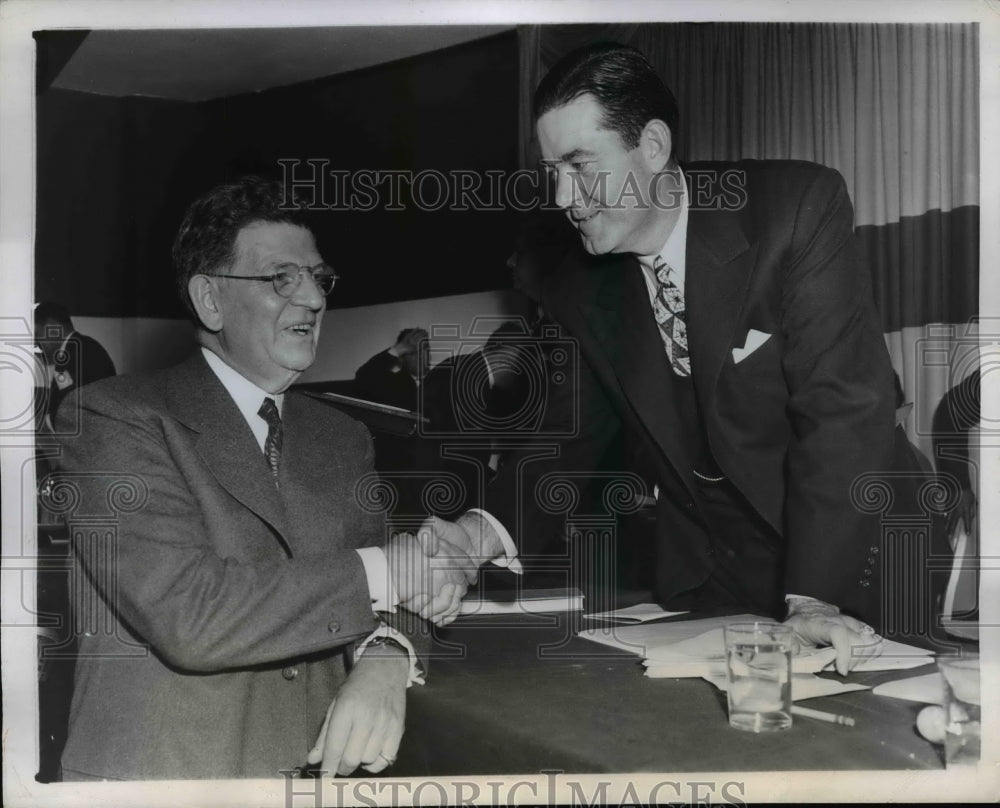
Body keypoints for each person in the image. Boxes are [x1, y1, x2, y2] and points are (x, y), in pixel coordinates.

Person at [434, 42, 925, 673]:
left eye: (581, 165)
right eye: (551, 169)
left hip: (864, 555)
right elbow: (562, 440)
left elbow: (844, 414)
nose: (561, 195)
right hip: (717, 571)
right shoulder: (577, 283)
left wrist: (812, 599)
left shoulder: (794, 209)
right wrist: (472, 538)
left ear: (655, 147)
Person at [52, 177, 486, 780]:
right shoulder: (109, 417)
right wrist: (392, 569)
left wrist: (387, 656)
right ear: (209, 300)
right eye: (282, 278)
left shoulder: (342, 437)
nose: (312, 298)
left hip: (316, 776)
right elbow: (190, 615)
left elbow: (394, 597)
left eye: (318, 277)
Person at [34, 300, 116, 423]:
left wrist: (45, 420)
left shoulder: (80, 352)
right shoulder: (77, 348)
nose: (35, 343)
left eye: (37, 335)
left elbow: (69, 410)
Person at [354, 327, 429, 411]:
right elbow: (363, 378)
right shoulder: (390, 384)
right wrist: (398, 349)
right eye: (413, 351)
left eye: (425, 349)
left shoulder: (440, 381)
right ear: (401, 357)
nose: (420, 356)